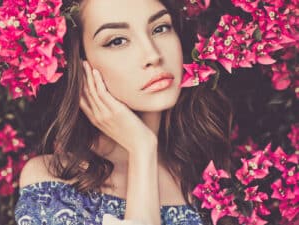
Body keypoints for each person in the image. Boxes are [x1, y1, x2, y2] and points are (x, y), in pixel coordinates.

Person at [15, 0, 232, 224]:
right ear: (80, 66)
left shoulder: (208, 179)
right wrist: (142, 149)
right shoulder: (53, 184)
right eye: (117, 41)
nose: (152, 55)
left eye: (160, 28)